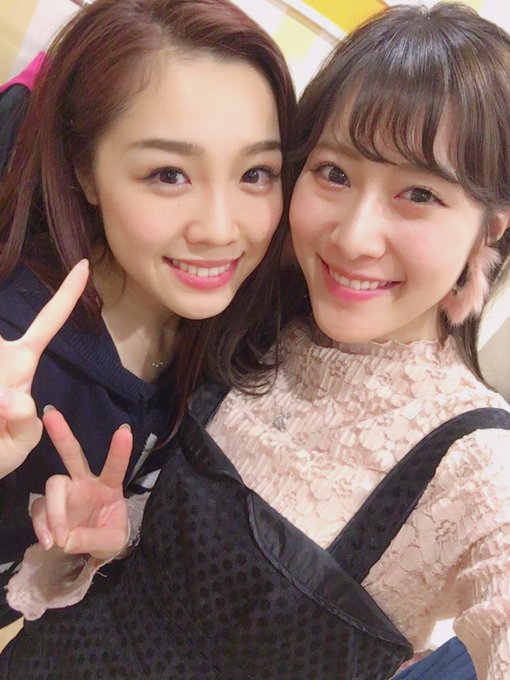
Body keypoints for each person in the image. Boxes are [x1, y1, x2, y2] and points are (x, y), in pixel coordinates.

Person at [3, 2, 510, 679]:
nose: (354, 238)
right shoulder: (259, 321)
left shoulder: (477, 466)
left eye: (419, 193)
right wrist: (123, 532)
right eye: (334, 173)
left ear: (490, 227)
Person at [0, 0, 295, 625]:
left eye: (256, 173)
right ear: (85, 172)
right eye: (168, 174)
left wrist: (90, 553)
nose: (221, 229)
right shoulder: (18, 347)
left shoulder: (234, 339)